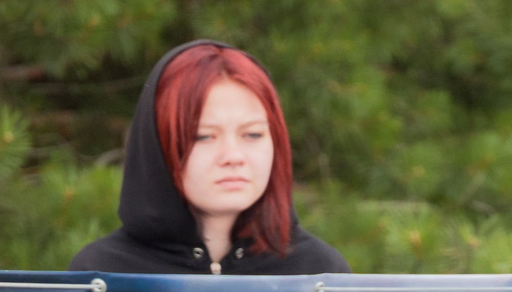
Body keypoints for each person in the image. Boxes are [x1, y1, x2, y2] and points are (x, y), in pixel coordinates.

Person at [71, 41, 349, 276]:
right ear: (159, 144)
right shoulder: (104, 276)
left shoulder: (318, 275)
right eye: (203, 137)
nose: (233, 156)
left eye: (252, 134)